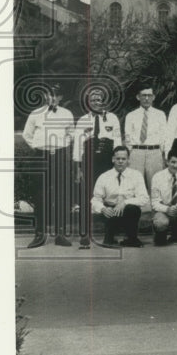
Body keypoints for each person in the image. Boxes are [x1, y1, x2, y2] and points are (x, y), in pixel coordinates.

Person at [21, 84, 76, 248]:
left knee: (61, 195)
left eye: (56, 95)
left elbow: (71, 134)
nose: (52, 98)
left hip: (59, 156)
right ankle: (39, 234)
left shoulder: (67, 114)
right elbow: (26, 134)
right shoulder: (35, 114)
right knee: (40, 195)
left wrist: (61, 145)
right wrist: (39, 147)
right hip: (40, 157)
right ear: (45, 96)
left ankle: (60, 234)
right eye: (49, 95)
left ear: (61, 98)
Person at [73, 88, 124, 249]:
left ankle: (110, 234)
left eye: (100, 99)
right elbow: (77, 145)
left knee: (109, 196)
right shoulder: (83, 120)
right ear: (88, 102)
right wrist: (78, 167)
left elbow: (117, 141)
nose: (97, 102)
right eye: (93, 100)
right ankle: (85, 235)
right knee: (86, 196)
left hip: (107, 162)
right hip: (89, 161)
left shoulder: (112, 118)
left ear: (105, 101)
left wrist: (118, 164)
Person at [91, 146, 149, 247]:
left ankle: (131, 239)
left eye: (123, 159)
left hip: (127, 210)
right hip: (111, 210)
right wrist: (103, 209)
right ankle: (109, 238)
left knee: (133, 209)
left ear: (128, 160)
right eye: (118, 159)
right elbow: (96, 199)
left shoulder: (136, 175)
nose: (120, 161)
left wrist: (124, 203)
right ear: (113, 159)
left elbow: (144, 198)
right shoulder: (104, 177)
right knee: (108, 242)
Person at [122, 86, 167, 194]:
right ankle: (136, 209)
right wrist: (130, 152)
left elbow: (164, 135)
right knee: (134, 185)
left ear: (153, 97)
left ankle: (155, 208)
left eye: (149, 95)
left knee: (156, 185)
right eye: (144, 95)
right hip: (136, 152)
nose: (146, 98)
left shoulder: (160, 115)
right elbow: (128, 136)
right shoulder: (131, 115)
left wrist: (163, 153)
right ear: (138, 97)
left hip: (154, 152)